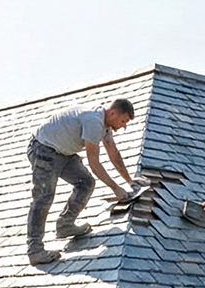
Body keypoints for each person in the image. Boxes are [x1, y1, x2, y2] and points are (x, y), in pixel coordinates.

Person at [27, 99, 137, 264]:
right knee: (44, 197)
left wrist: (130, 181)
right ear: (113, 112)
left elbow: (113, 154)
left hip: (63, 152)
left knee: (85, 182)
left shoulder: (105, 127)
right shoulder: (94, 121)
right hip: (43, 149)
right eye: (123, 121)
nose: (123, 126)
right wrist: (116, 188)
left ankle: (65, 224)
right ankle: (35, 250)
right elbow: (94, 163)